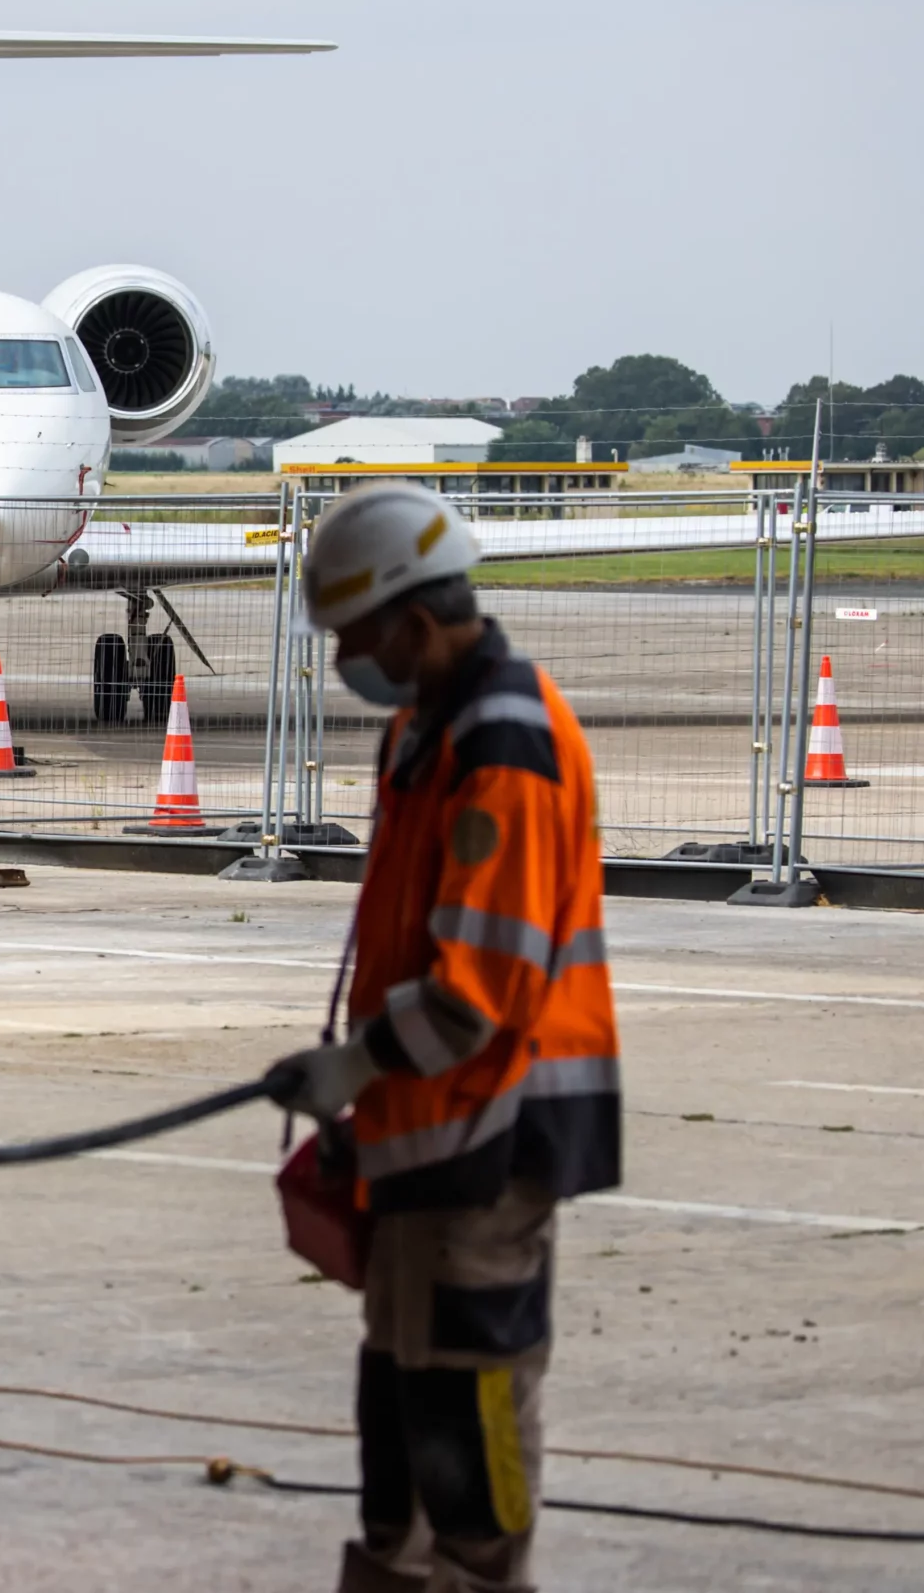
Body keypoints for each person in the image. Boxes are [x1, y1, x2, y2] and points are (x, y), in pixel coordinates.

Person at [269, 484, 621, 1593]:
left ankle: (481, 1578)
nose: (343, 665)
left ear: (416, 625)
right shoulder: (430, 728)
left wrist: (359, 1061)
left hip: (489, 1132)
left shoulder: (503, 744)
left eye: (353, 639)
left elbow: (482, 989)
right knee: (403, 1403)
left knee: (469, 1422)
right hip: (422, 1129)